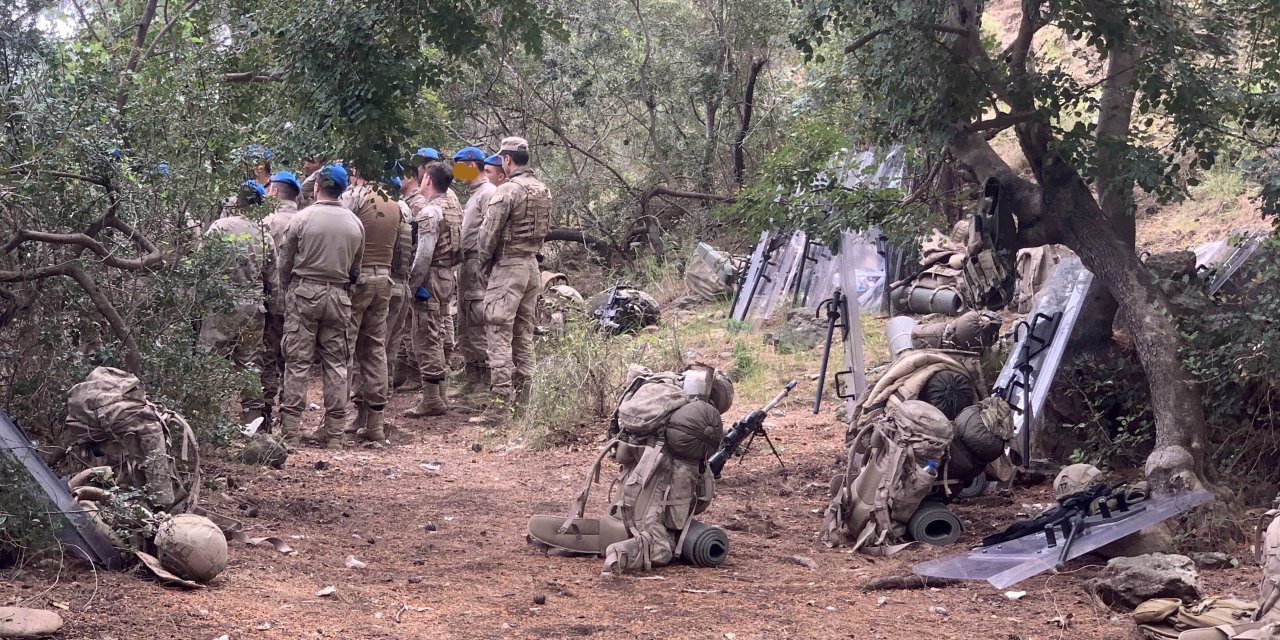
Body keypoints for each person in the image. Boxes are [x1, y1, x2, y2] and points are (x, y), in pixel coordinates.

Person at [276, 164, 365, 448]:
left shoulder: (302, 219)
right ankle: (335, 434)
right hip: (338, 297)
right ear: (343, 189)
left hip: (304, 292)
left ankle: (291, 432)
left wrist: (288, 289)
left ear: (316, 187)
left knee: (298, 362)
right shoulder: (355, 223)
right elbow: (355, 270)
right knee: (337, 364)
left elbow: (284, 263)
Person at [477, 137, 552, 407]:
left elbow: (487, 235)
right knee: (523, 334)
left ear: (507, 160)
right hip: (532, 266)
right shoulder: (542, 189)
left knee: (498, 332)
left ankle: (500, 404)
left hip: (509, 267)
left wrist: (483, 266)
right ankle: (526, 402)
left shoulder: (508, 191)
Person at [200, 180, 276, 424]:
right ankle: (252, 421)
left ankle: (208, 417)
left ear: (238, 200)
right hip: (253, 306)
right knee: (251, 363)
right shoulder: (264, 233)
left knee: (210, 360)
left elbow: (202, 266)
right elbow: (272, 279)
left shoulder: (219, 228)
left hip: (220, 304)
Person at [338, 170, 401, 445]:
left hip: (359, 279)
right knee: (375, 348)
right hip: (385, 278)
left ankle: (334, 423)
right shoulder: (395, 202)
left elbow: (342, 232)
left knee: (343, 348)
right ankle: (374, 422)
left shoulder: (355, 197)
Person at [403, 161, 461, 417]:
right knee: (438, 330)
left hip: (431, 277)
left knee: (425, 335)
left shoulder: (430, 212)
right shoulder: (454, 207)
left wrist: (412, 285)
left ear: (427, 179)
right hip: (448, 273)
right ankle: (441, 393)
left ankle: (431, 399)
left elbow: (424, 254)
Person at [453, 146, 497, 394]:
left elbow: (489, 231)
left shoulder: (488, 192)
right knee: (465, 321)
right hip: (466, 264)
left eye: (459, 166)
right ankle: (473, 378)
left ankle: (484, 384)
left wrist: (481, 262)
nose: (456, 173)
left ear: (470, 165)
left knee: (478, 319)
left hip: (477, 264)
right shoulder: (474, 194)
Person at [260, 170, 302, 427]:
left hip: (272, 300)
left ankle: (264, 413)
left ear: (274, 192)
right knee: (294, 358)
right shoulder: (306, 219)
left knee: (267, 355)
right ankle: (289, 415)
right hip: (299, 300)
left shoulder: (267, 221)